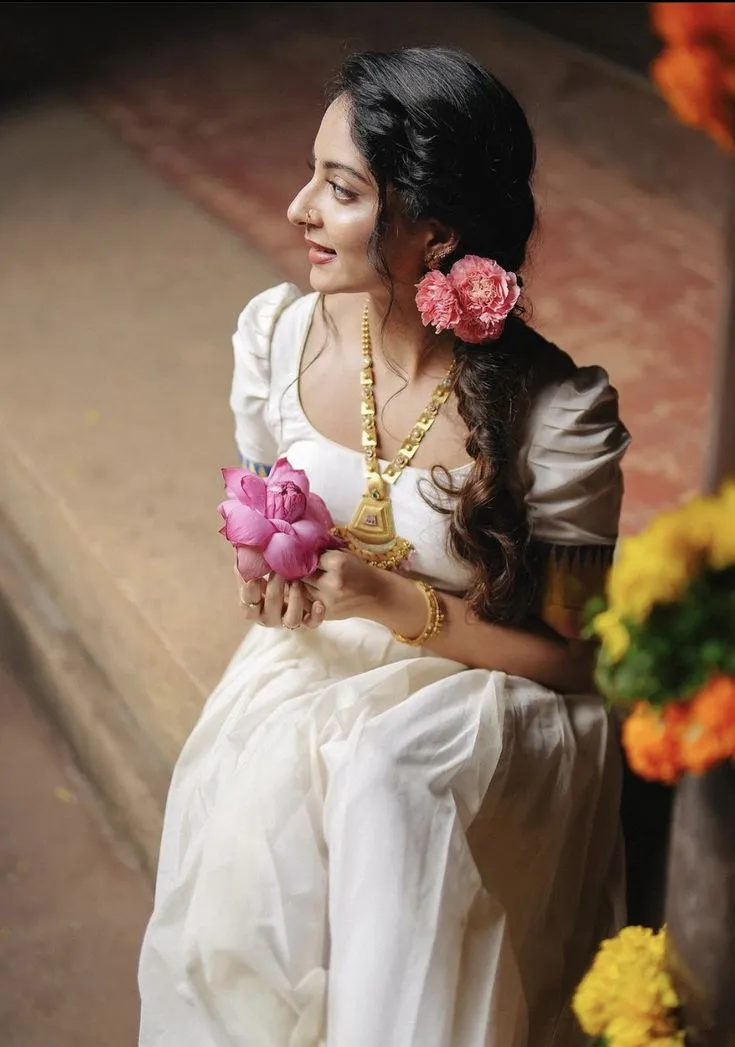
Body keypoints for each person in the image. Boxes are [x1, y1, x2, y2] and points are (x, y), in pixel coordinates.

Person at [138, 46, 630, 1047]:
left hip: (487, 704)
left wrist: (388, 599)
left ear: (434, 232)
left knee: (384, 780)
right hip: (322, 675)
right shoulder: (280, 335)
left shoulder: (555, 415)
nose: (297, 210)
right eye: (312, 173)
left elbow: (578, 661)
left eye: (341, 188)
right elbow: (263, 493)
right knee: (261, 796)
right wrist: (266, 568)